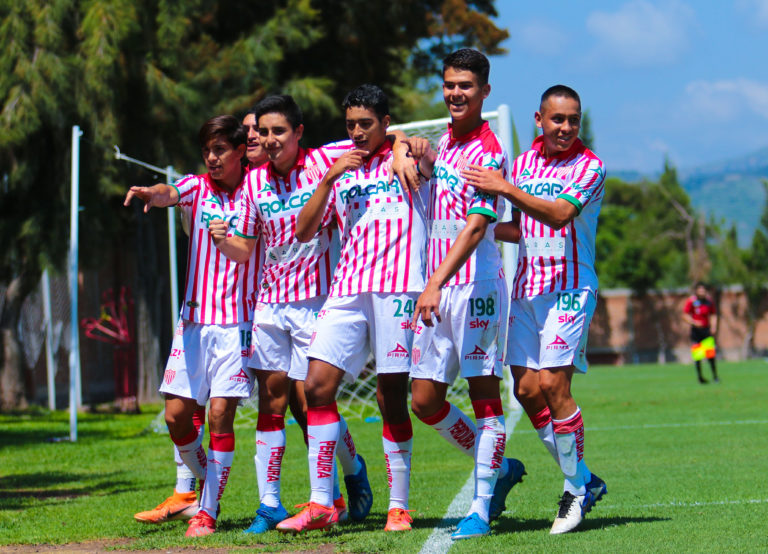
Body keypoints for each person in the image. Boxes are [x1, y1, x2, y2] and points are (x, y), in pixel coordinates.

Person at [210, 95, 377, 534]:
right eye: (261, 133)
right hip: (270, 306)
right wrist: (220, 241)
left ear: (298, 133)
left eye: (278, 131)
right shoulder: (253, 184)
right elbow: (244, 249)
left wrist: (403, 146)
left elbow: (377, 138)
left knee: (311, 402)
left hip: (319, 305)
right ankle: (270, 504)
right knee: (272, 403)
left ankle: (351, 469)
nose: (268, 140)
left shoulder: (325, 159)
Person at [276, 84, 433, 534]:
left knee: (390, 398)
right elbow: (303, 233)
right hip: (346, 291)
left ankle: (399, 506)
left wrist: (403, 143)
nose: (358, 133)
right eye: (351, 125)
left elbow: (428, 149)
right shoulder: (337, 162)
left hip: (399, 290)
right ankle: (322, 503)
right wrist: (327, 179)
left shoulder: (408, 153)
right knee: (315, 388)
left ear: (385, 122)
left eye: (367, 124)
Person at [462, 84, 607, 535]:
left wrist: (503, 187)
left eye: (573, 120)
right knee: (526, 391)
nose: (565, 128)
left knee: (552, 383)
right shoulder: (524, 163)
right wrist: (473, 232)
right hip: (527, 291)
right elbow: (518, 227)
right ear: (538, 120)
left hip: (569, 290)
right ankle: (586, 478)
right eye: (557, 119)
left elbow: (559, 215)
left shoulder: (591, 166)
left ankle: (574, 490)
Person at [408, 48, 526, 541]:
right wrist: (414, 146)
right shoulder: (447, 146)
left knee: (484, 398)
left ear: (485, 91)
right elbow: (427, 167)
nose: (456, 93)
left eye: (466, 86)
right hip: (439, 288)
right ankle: (497, 466)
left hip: (475, 289)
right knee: (424, 399)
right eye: (450, 84)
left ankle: (480, 506)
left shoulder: (489, 151)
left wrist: (433, 282)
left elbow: (478, 227)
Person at [124, 115, 259, 537]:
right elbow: (171, 191)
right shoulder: (197, 187)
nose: (212, 158)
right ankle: (205, 485)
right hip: (194, 324)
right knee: (176, 417)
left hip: (238, 322)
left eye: (219, 150)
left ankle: (208, 510)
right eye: (207, 151)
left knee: (220, 415)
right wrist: (154, 193)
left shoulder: (258, 191)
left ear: (239, 151)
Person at [682, 282, 719, 383]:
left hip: (706, 331)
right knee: (698, 356)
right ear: (696, 291)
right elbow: (685, 315)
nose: (702, 292)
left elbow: (713, 314)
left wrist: (714, 326)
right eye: (700, 290)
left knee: (710, 355)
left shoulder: (708, 301)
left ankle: (715, 376)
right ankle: (700, 377)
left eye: (703, 290)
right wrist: (694, 322)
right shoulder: (692, 301)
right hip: (696, 332)